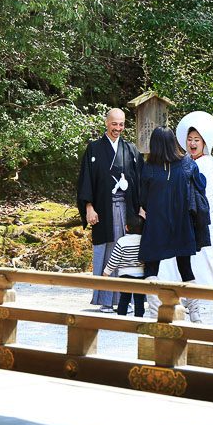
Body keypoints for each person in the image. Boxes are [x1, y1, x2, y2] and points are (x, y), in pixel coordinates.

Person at [154, 112, 213, 323]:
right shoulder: (179, 164)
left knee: (199, 259)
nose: (192, 144)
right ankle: (174, 297)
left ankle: (199, 299)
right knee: (175, 262)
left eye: (197, 140)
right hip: (179, 221)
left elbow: (208, 200)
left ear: (205, 143)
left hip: (199, 222)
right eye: (190, 139)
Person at [76, 108, 143, 313]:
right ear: (107, 123)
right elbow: (86, 180)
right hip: (103, 209)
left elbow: (140, 181)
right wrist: (89, 207)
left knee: (128, 254)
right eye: (114, 124)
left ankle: (127, 299)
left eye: (121, 124)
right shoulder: (94, 149)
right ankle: (106, 300)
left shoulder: (130, 149)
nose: (118, 128)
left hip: (127, 209)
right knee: (106, 253)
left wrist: (141, 208)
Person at [138, 127, 210, 310]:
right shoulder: (187, 164)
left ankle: (154, 313)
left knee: (151, 268)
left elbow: (142, 198)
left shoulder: (148, 168)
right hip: (182, 223)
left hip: (156, 224)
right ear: (173, 142)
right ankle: (195, 314)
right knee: (185, 268)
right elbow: (201, 185)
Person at [102, 213, 146, 317]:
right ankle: (139, 318)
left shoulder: (122, 241)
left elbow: (114, 259)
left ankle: (121, 316)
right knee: (139, 299)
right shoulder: (144, 241)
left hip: (125, 276)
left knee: (124, 298)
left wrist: (106, 272)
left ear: (126, 227)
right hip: (140, 275)